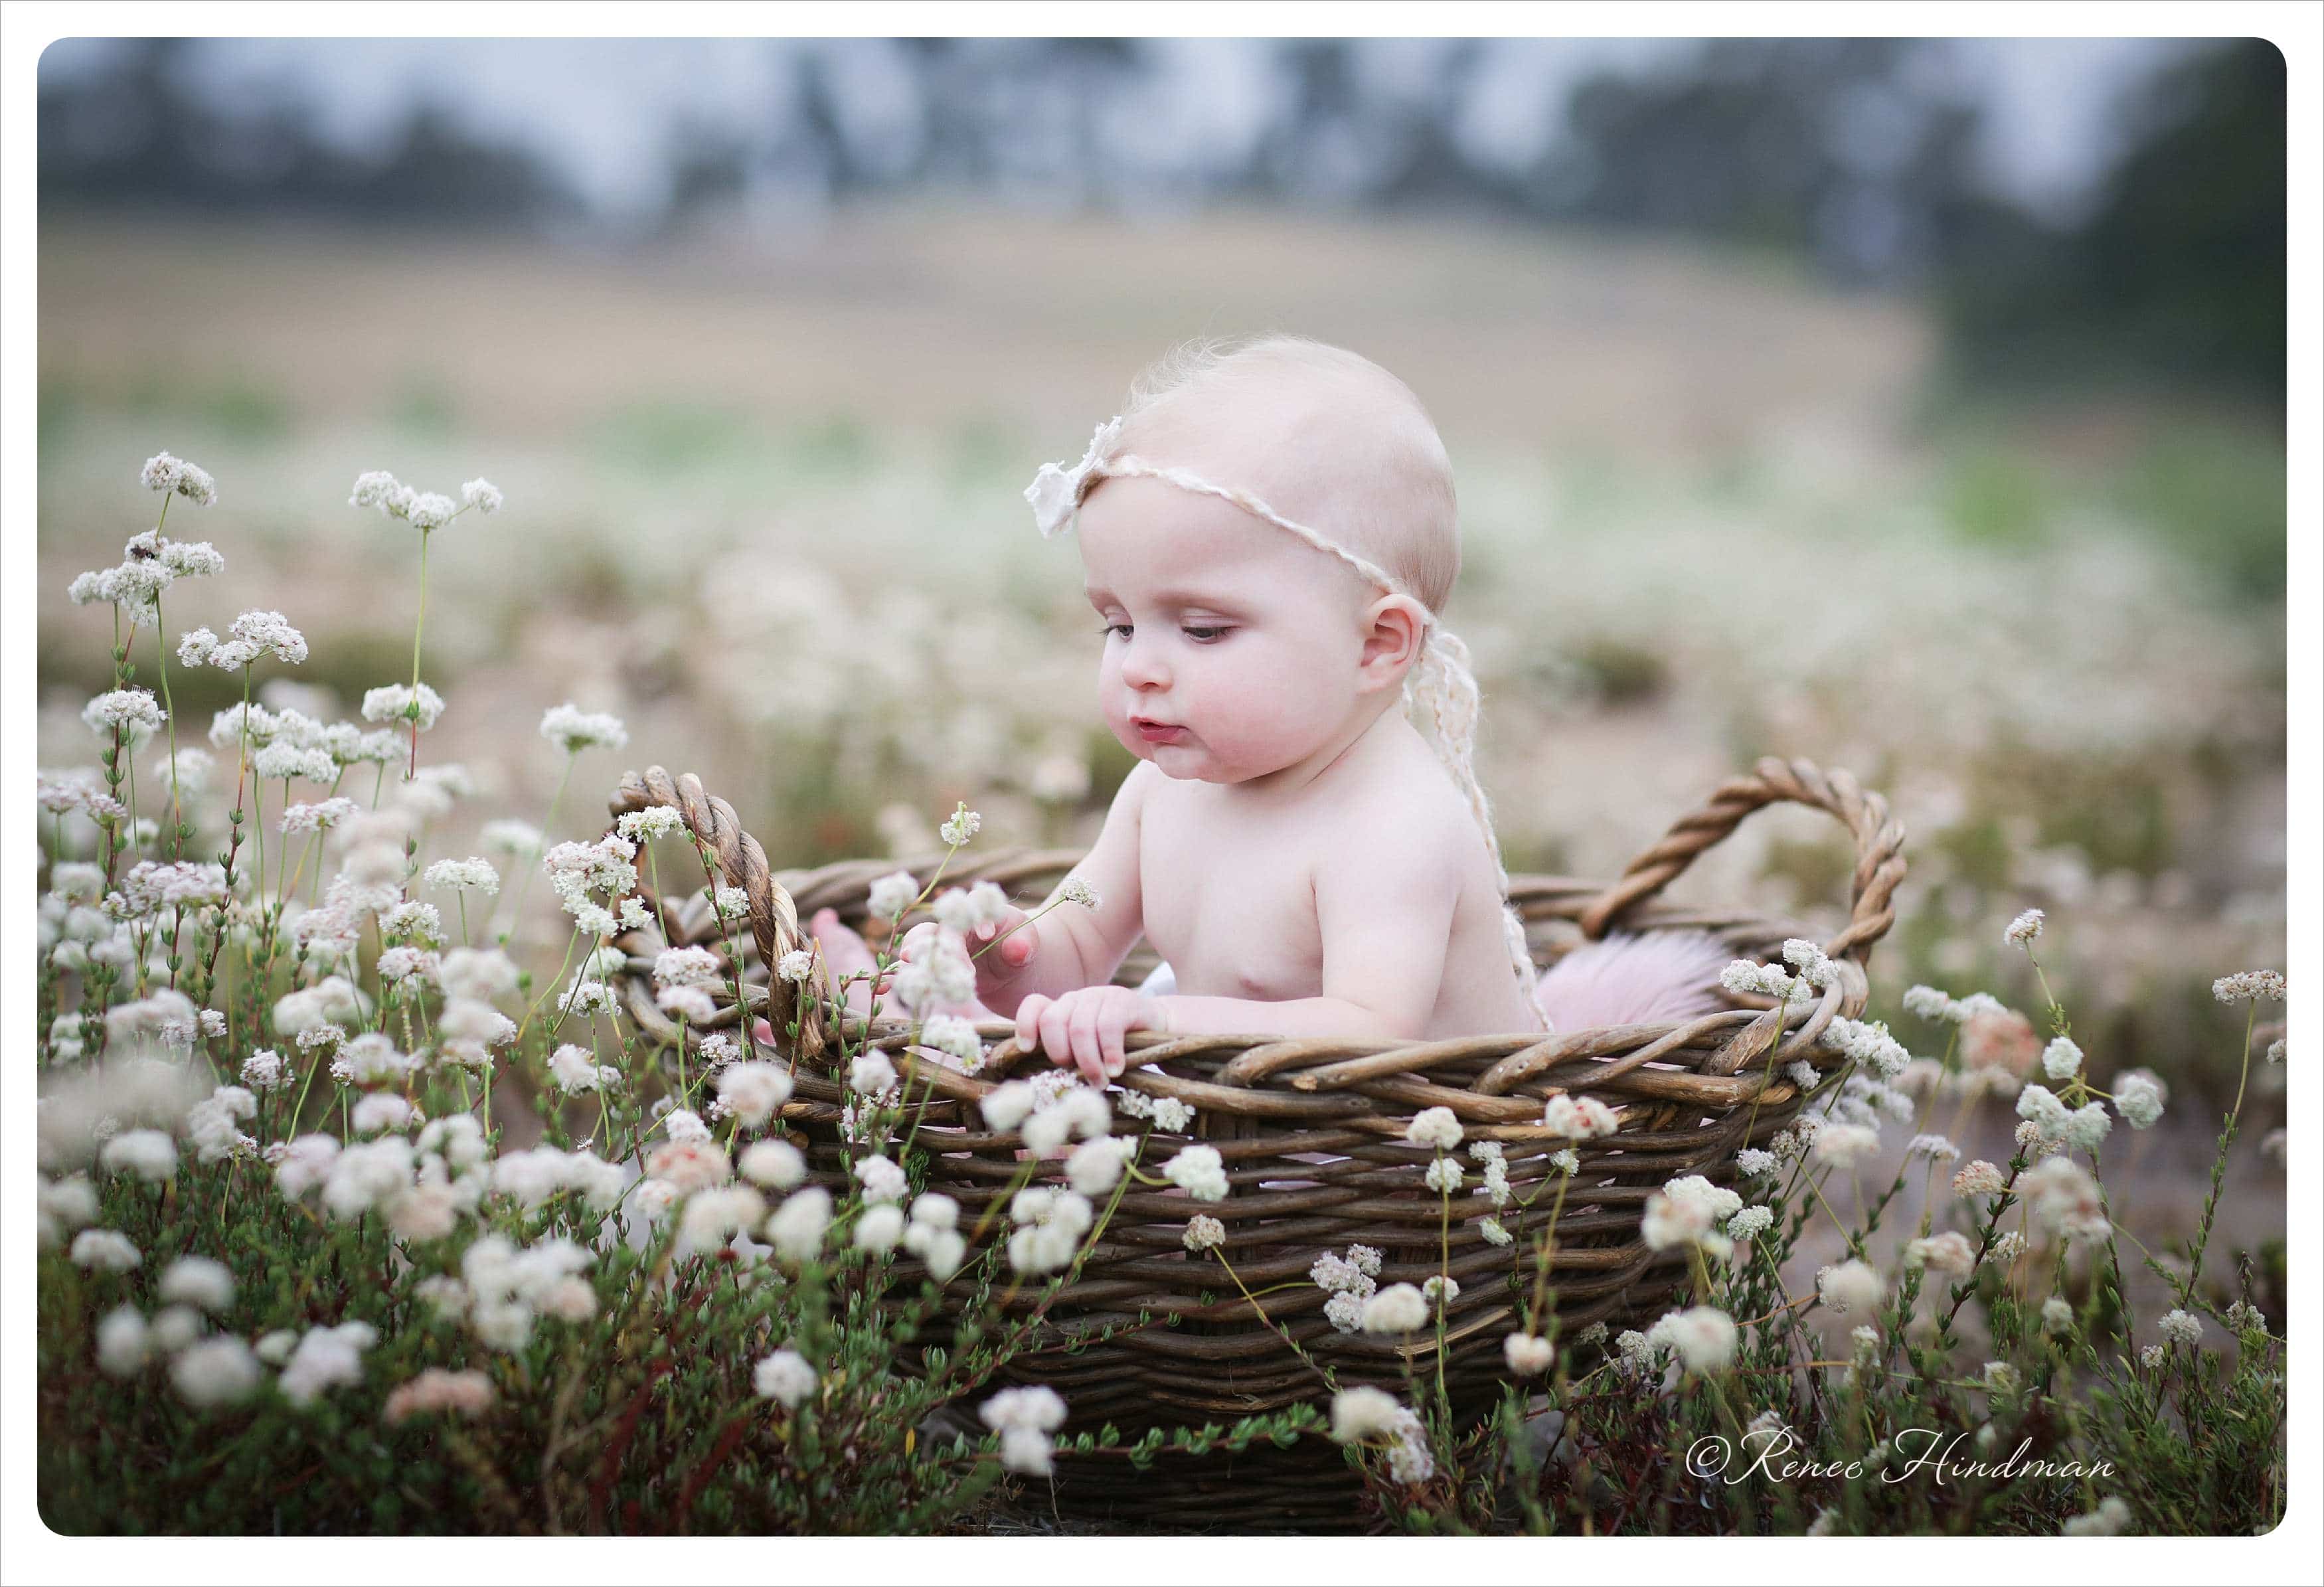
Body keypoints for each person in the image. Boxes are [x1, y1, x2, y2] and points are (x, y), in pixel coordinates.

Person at [856, 334, 1731, 1086]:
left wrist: (1152, 1021)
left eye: (1202, 629)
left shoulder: (1393, 823)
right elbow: (1080, 949)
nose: (1141, 668)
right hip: (1253, 1130)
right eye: (1117, 624)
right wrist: (1013, 962)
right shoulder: (1160, 792)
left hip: (1415, 1168)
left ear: (1378, 644)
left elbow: (1369, 1028)